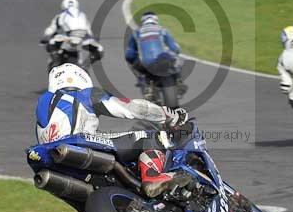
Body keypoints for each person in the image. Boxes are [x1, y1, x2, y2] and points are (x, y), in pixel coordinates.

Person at [35, 63, 192, 197]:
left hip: (49, 160)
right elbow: (131, 108)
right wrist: (166, 115)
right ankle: (152, 178)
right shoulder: (84, 94)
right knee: (151, 137)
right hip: (77, 145)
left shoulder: (43, 102)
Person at [125, 11, 186, 99]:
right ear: (156, 20)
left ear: (143, 21)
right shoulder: (163, 30)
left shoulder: (136, 33)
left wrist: (132, 60)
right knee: (176, 59)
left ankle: (146, 86)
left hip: (145, 64)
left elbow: (129, 54)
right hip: (163, 60)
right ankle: (179, 81)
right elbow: (175, 49)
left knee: (135, 67)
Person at [41, 0, 103, 67]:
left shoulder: (60, 16)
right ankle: (85, 67)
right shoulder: (83, 15)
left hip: (68, 39)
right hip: (83, 40)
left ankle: (56, 63)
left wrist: (44, 39)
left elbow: (50, 30)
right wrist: (91, 40)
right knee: (99, 50)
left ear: (63, 5)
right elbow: (89, 32)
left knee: (51, 44)